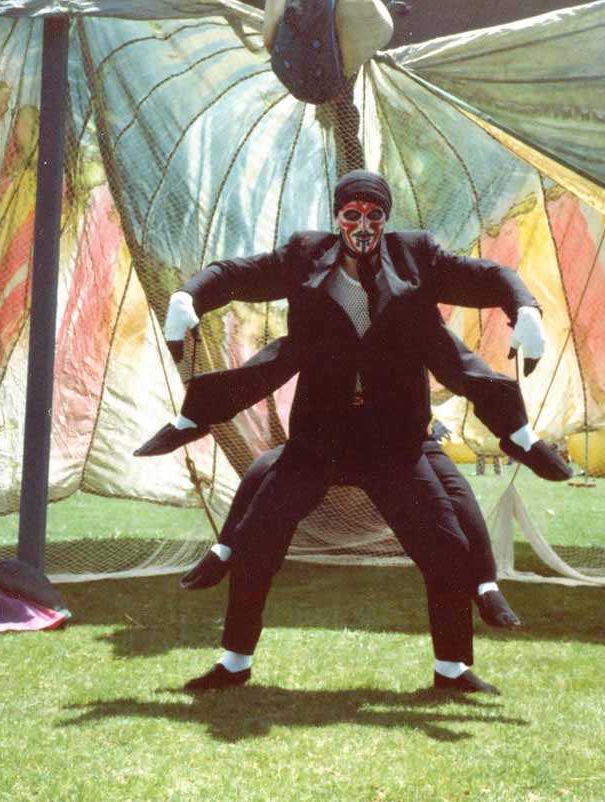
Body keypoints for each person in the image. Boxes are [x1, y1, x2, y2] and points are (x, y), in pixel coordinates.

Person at [148, 170, 565, 695]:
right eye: (352, 215)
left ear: (386, 220)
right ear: (337, 217)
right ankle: (234, 662)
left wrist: (524, 307)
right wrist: (190, 296)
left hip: (393, 442)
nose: (363, 226)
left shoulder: (417, 255)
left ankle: (453, 670)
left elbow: (486, 276)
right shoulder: (305, 255)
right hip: (319, 439)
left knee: (445, 546)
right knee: (257, 540)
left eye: (374, 215)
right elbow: (236, 274)